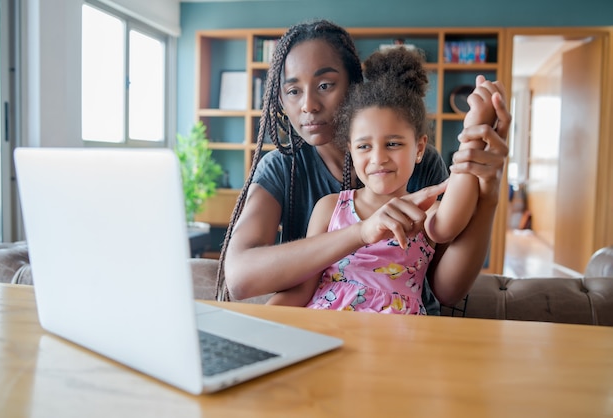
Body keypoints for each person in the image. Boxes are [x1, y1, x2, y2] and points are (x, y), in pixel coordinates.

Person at [216, 19, 510, 314]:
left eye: (325, 85)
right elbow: (241, 279)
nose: (308, 105)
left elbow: (447, 289)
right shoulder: (284, 170)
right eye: (293, 91)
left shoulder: (417, 161)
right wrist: (362, 231)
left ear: (354, 86)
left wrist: (487, 194)